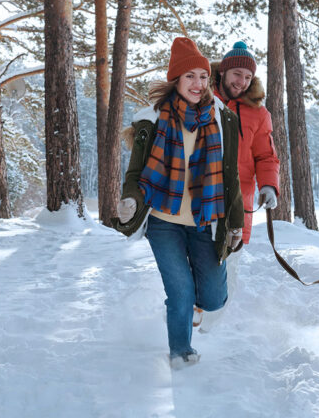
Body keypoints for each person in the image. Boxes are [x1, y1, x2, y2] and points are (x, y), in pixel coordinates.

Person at [111, 37, 244, 369]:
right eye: (190, 77)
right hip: (163, 221)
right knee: (181, 290)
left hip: (206, 220)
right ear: (176, 81)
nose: (198, 84)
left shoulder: (221, 118)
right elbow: (136, 173)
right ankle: (181, 352)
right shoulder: (153, 121)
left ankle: (196, 305)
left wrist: (236, 222)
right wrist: (129, 200)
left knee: (212, 298)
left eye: (202, 76)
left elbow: (231, 177)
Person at [196, 41, 281, 332]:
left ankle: (207, 330)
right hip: (198, 200)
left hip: (238, 206)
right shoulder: (202, 99)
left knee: (227, 272)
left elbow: (266, 155)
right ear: (223, 72)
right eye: (237, 74)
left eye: (248, 77)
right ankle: (185, 325)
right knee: (193, 262)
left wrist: (269, 186)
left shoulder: (259, 113)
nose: (241, 82)